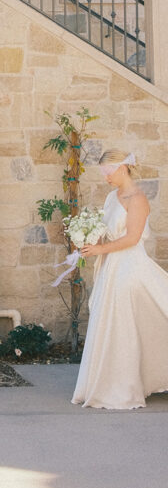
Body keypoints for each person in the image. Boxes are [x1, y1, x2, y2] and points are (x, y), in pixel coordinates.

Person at [72, 149, 168, 409]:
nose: (105, 178)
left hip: (129, 268)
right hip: (111, 268)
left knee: (124, 324)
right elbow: (108, 233)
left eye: (108, 172)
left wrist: (100, 250)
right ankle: (103, 383)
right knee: (108, 323)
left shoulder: (137, 199)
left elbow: (132, 238)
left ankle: (122, 388)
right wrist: (90, 240)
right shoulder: (112, 197)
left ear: (123, 168)